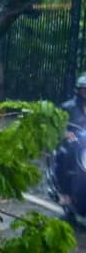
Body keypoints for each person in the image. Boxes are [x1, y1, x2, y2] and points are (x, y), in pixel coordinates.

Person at [54, 75, 86, 205]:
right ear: (78, 90)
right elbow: (57, 126)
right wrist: (66, 133)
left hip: (85, 144)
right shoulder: (68, 107)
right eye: (84, 89)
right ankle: (65, 192)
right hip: (72, 143)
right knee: (65, 155)